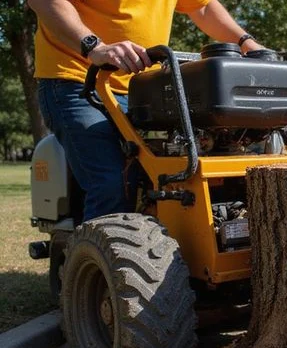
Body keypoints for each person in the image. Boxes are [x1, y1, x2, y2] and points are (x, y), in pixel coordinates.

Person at [28, 0, 264, 221]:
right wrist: (94, 47)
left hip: (144, 90)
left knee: (175, 175)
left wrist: (246, 43)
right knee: (113, 184)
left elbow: (201, 7)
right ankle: (99, 260)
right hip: (78, 81)